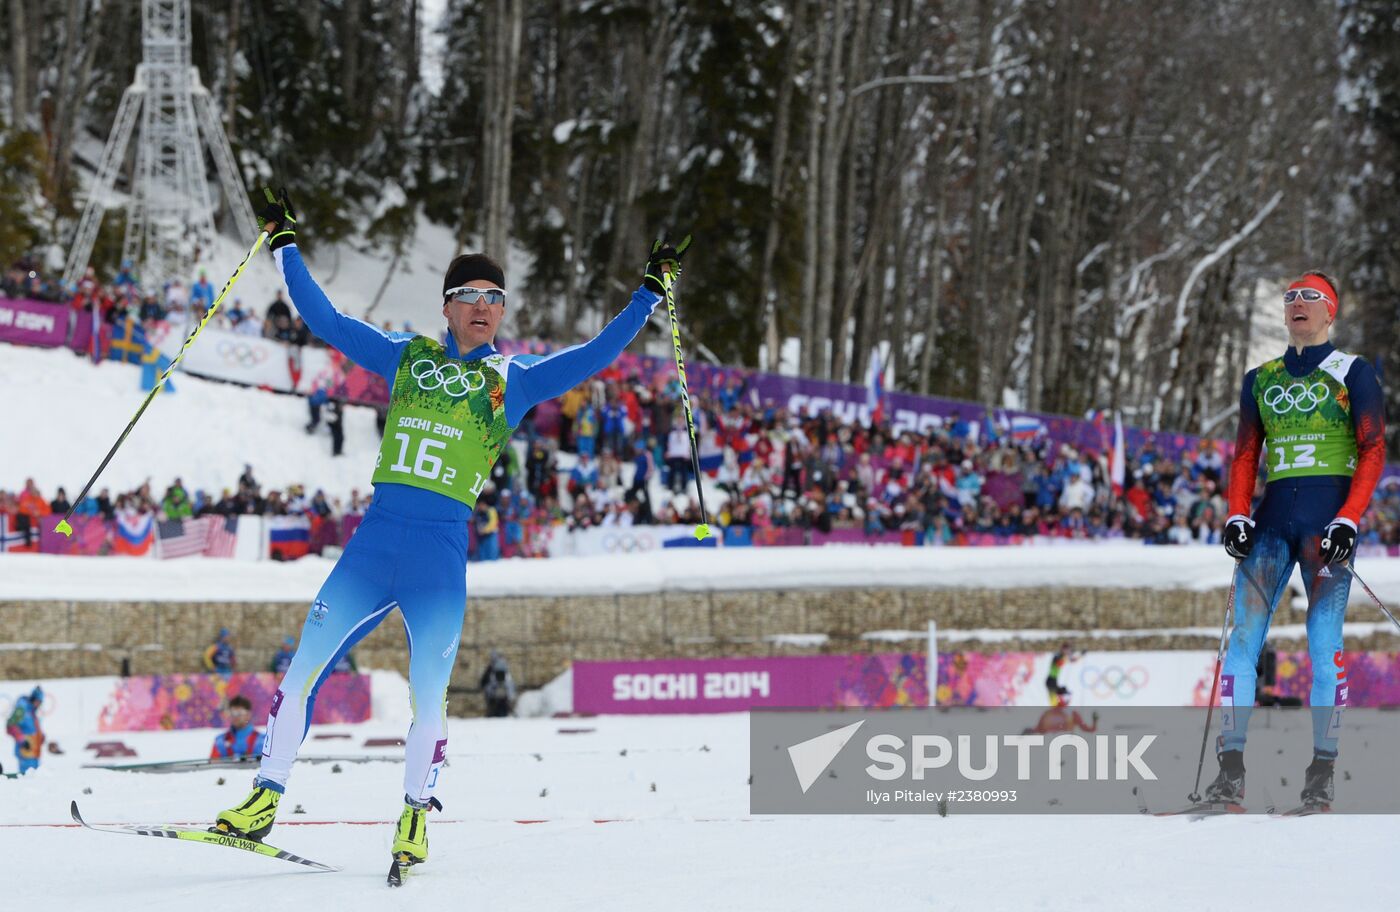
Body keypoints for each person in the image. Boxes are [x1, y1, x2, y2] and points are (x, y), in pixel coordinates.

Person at [213, 187, 689, 872]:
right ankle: (263, 798)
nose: (485, 307)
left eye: (495, 297)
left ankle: (413, 820)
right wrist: (285, 241)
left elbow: (591, 355)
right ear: (447, 305)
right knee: (301, 671)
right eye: (471, 294)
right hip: (375, 543)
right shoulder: (408, 358)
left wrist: (647, 295)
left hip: (438, 554)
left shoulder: (512, 380)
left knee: (427, 697)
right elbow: (324, 318)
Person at [1205, 271, 1385, 811]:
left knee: (1322, 643)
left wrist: (1350, 518)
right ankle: (1229, 770)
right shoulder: (1260, 377)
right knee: (1242, 641)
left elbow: (1373, 449)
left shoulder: (1353, 371)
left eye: (1311, 297)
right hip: (1272, 521)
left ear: (1331, 313)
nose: (1298, 303)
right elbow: (1243, 455)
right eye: (1290, 297)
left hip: (1327, 527)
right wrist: (1237, 514)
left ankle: (1321, 771)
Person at [211, 695, 266, 760]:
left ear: (248, 714)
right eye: (232, 713)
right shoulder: (220, 741)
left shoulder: (263, 741)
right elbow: (213, 765)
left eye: (239, 713)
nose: (235, 716)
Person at [5, 687, 44, 775]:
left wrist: (41, 736)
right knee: (27, 778)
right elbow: (11, 725)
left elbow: (32, 728)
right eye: (38, 701)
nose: (39, 705)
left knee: (35, 777)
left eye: (40, 702)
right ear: (33, 698)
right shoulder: (22, 708)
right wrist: (22, 740)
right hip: (25, 751)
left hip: (34, 753)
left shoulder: (32, 711)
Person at [480, 651, 516, 717]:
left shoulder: (503, 673)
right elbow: (486, 683)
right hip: (495, 698)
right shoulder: (492, 671)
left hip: (502, 699)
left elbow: (510, 685)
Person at [1045, 641, 1077, 706]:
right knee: (1054, 703)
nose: (1067, 652)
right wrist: (1067, 657)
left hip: (1053, 681)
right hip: (1051, 681)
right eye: (1066, 650)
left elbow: (1072, 660)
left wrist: (1081, 655)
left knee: (1062, 694)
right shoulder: (1057, 656)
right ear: (1063, 649)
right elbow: (1059, 663)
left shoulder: (1062, 656)